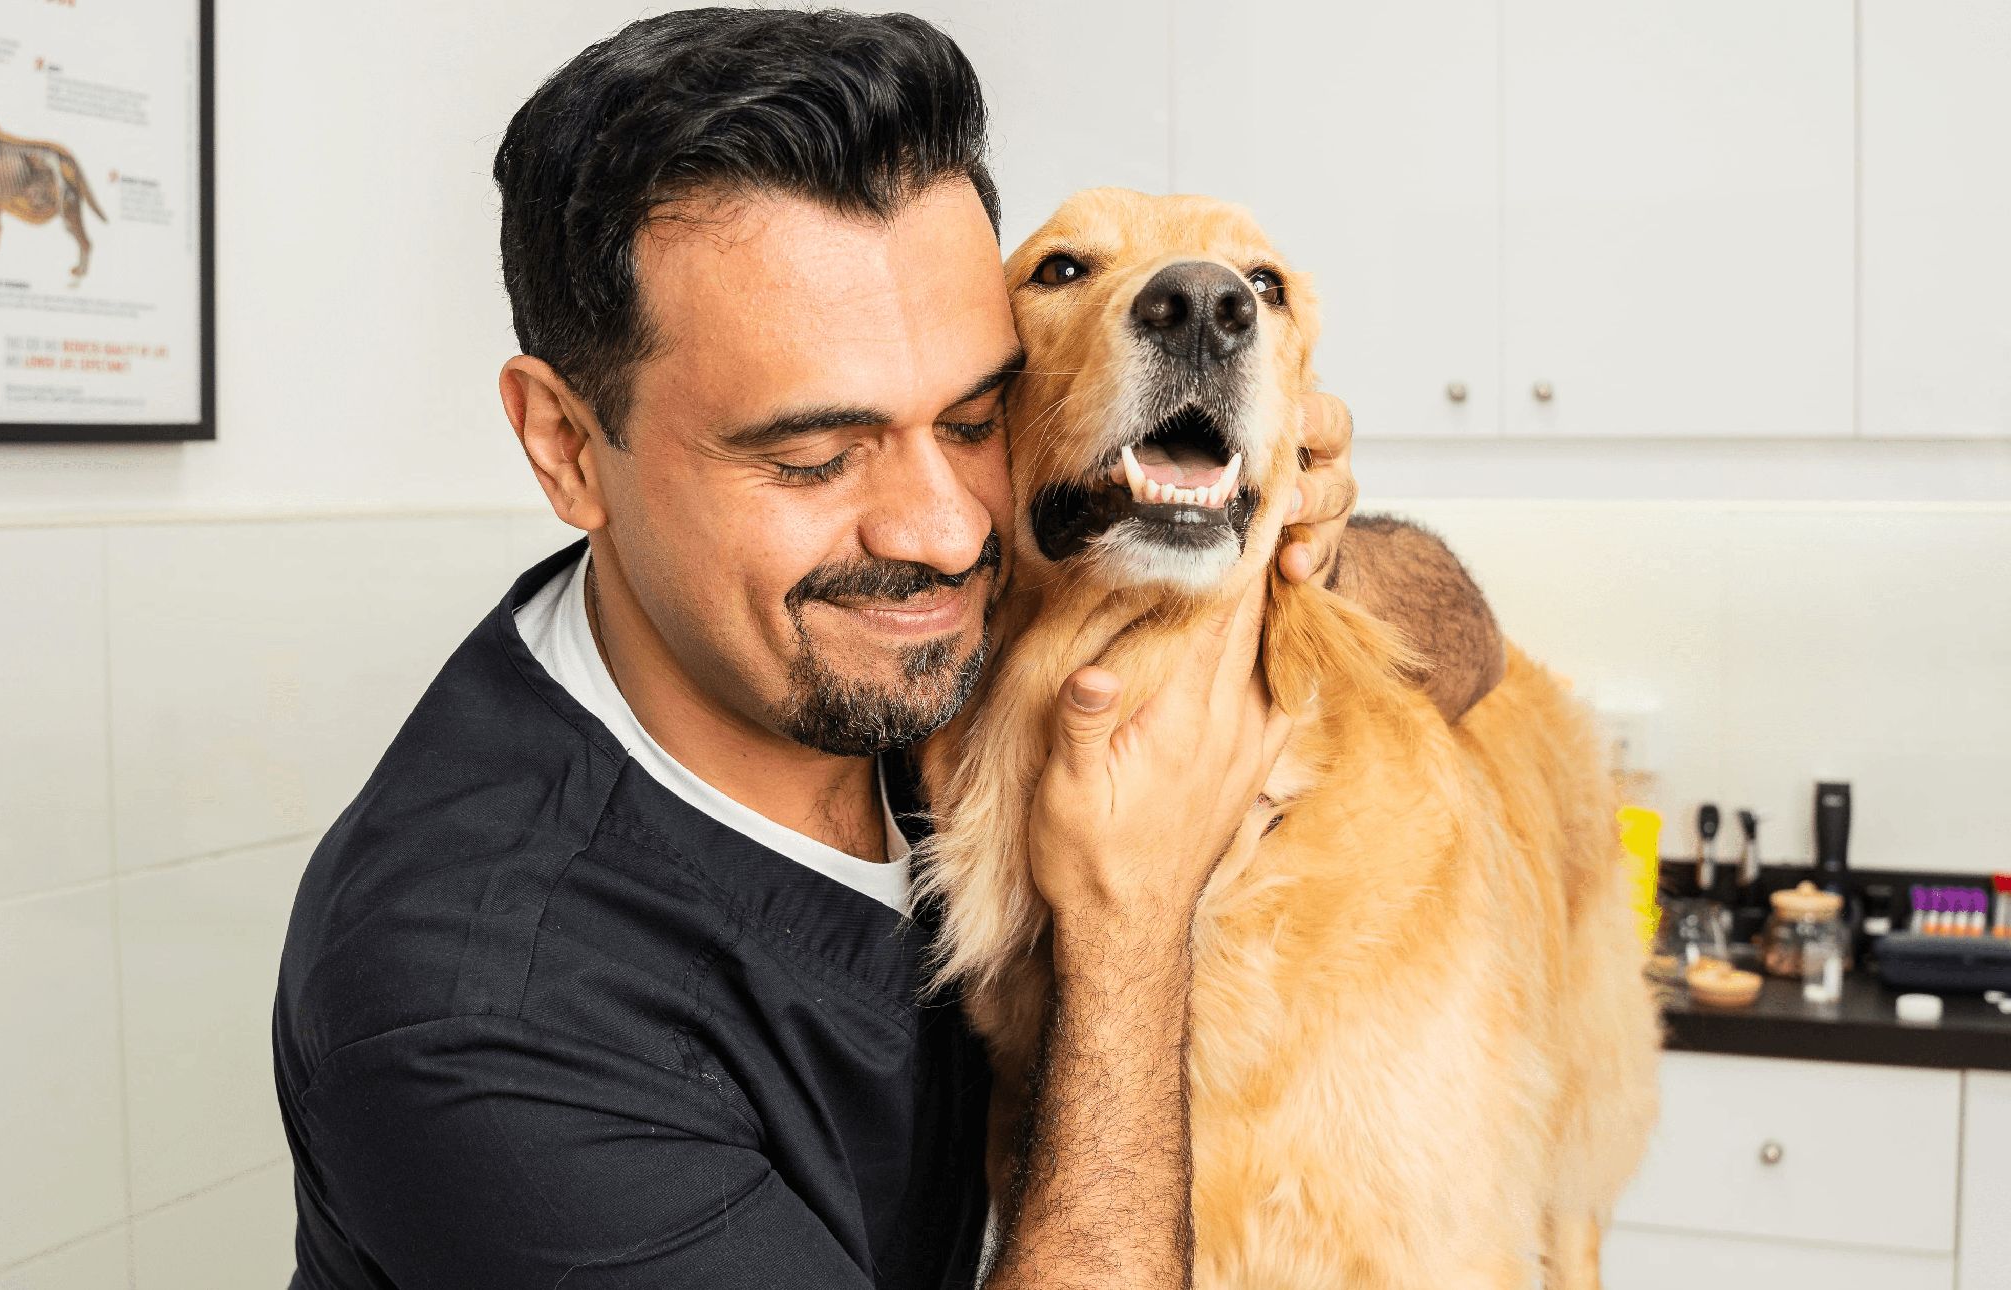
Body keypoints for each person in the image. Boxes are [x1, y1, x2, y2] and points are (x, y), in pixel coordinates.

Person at [270, 9, 1505, 1288]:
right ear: (567, 446)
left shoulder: (938, 644)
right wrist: (1129, 929)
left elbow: (1460, 644)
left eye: (972, 420)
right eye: (812, 457)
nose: (939, 531)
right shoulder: (483, 1013)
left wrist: (1287, 540)